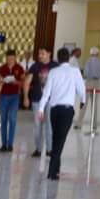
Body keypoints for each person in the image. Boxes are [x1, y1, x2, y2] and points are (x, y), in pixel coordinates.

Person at [37, 46, 86, 179]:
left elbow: (46, 92)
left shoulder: (53, 72)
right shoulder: (75, 71)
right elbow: (82, 89)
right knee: (60, 140)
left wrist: (41, 109)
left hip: (54, 110)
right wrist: (83, 101)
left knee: (56, 138)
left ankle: (56, 169)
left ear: (57, 59)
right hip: (67, 111)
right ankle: (51, 172)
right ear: (69, 58)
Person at [0, 49, 25, 152]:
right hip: (3, 96)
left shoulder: (19, 68)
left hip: (14, 96)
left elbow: (23, 82)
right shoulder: (2, 68)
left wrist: (15, 82)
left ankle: (10, 143)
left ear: (15, 58)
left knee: (12, 119)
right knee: (3, 120)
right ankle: (4, 144)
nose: (10, 61)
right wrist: (0, 81)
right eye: (8, 59)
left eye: (12, 59)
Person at [26, 47, 54, 155]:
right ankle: (38, 149)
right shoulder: (35, 66)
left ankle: (49, 149)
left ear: (49, 53)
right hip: (37, 100)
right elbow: (27, 82)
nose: (40, 55)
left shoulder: (55, 66)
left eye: (42, 53)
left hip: (51, 101)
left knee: (49, 125)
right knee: (38, 125)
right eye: (39, 53)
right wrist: (26, 97)